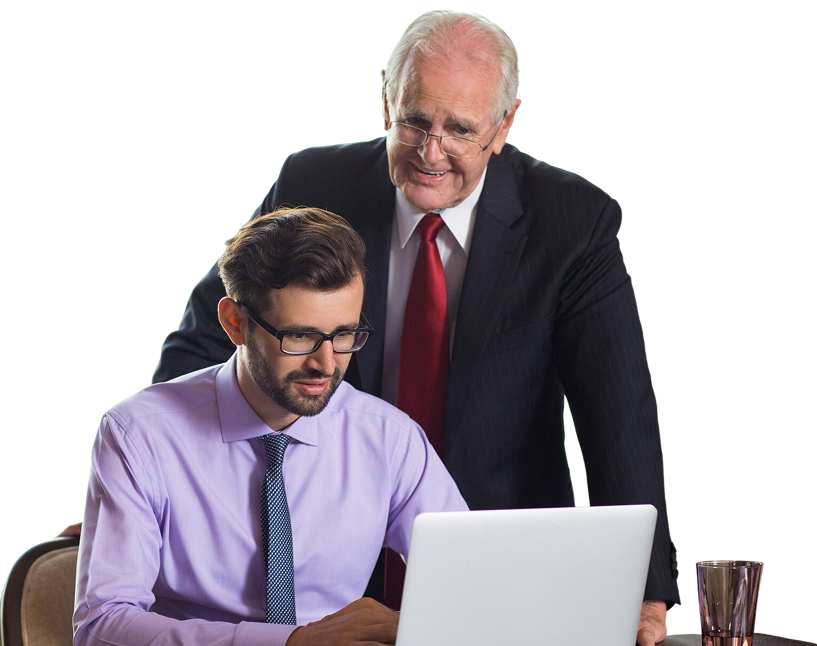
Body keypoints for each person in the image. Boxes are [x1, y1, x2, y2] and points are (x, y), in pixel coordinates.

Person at [152, 10, 679, 645]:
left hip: (497, 544)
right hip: (324, 545)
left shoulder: (573, 220)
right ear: (386, 103)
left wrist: (642, 585)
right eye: (415, 122)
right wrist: (149, 485)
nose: (431, 153)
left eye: (460, 130)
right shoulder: (313, 182)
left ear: (504, 125)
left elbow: (617, 412)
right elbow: (212, 335)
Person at [74, 208, 468, 646]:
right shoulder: (139, 434)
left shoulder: (389, 439)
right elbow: (101, 626)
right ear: (235, 323)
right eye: (299, 336)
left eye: (344, 335)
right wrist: (289, 643)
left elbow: (474, 581)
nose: (326, 364)